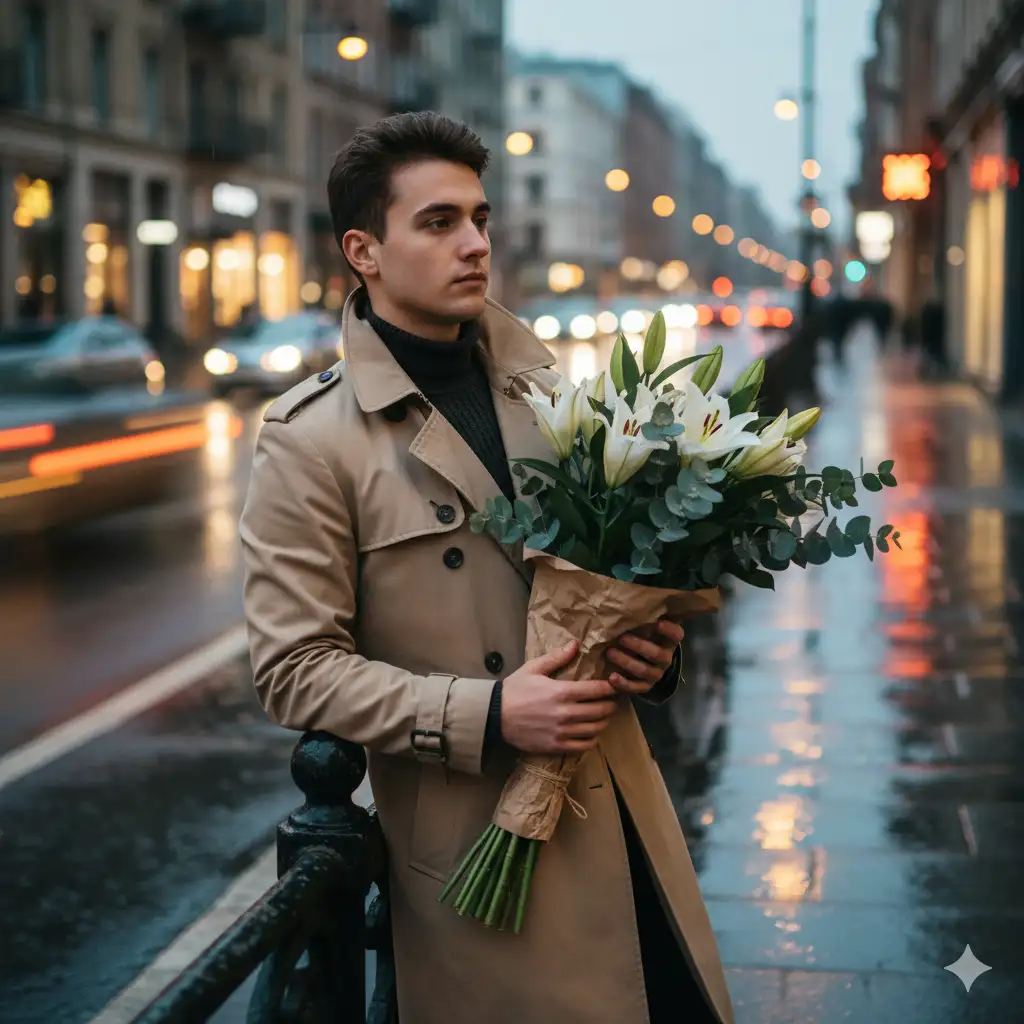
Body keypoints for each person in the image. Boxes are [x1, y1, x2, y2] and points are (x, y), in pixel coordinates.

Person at [239, 111, 733, 1024]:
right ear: (364, 250)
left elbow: (606, 584)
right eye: (438, 223)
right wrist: (493, 713)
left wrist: (653, 658)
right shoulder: (311, 442)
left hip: (626, 821)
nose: (475, 244)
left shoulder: (549, 395)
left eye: (480, 218)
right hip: (482, 858)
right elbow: (292, 671)